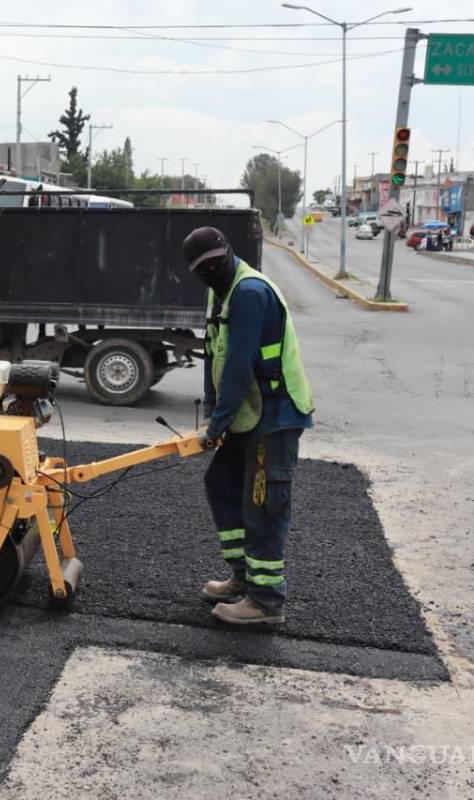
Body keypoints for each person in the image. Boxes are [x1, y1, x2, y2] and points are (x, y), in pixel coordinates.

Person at [185, 226, 314, 626]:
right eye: (205, 269)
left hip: (274, 415)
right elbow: (213, 355)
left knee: (264, 504)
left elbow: (239, 369)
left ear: (228, 254)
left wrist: (218, 425)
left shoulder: (250, 293)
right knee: (221, 483)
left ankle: (266, 600)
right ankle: (243, 578)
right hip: (247, 413)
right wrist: (212, 415)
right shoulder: (219, 292)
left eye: (217, 264)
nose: (213, 271)